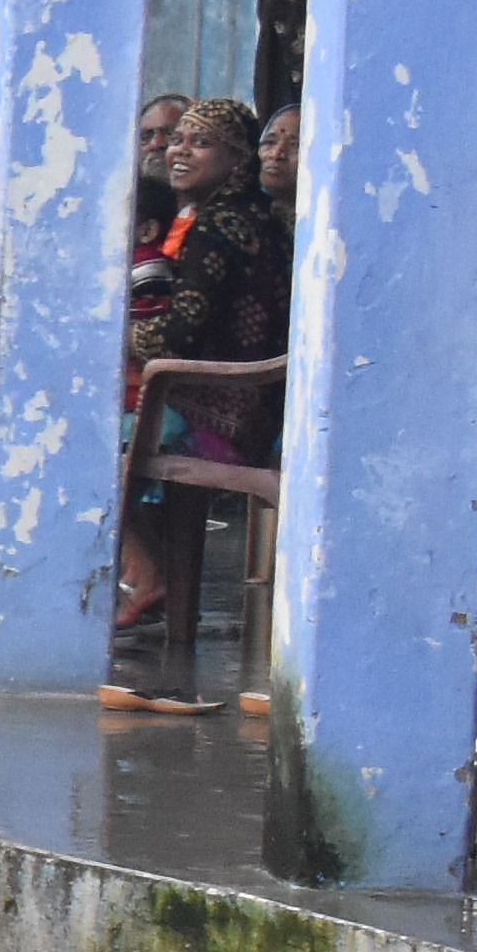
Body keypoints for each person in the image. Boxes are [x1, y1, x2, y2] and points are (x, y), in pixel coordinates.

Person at [118, 92, 287, 648]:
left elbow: (181, 334)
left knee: (87, 444)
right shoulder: (249, 219)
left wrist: (117, 337)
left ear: (236, 160)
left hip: (219, 414)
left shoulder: (218, 230)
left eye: (201, 143)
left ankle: (150, 577)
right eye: (179, 140)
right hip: (248, 402)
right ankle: (158, 584)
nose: (177, 153)